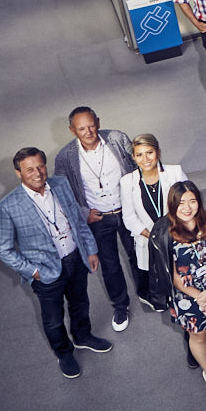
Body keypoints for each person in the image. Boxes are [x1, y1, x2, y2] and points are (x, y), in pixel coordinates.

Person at [0, 147, 109, 378]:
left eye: (40, 166)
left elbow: (78, 219)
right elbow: (2, 248)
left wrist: (90, 250)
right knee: (53, 319)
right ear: (18, 173)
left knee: (80, 303)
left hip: (75, 258)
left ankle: (83, 336)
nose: (37, 173)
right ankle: (64, 353)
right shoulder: (8, 206)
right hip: (45, 271)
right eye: (29, 169)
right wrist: (32, 271)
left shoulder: (61, 184)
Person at [53, 108, 138, 332]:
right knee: (110, 266)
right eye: (81, 128)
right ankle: (120, 306)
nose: (88, 132)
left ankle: (148, 293)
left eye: (91, 125)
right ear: (72, 130)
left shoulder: (117, 139)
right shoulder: (65, 157)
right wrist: (84, 213)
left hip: (128, 211)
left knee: (139, 255)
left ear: (98, 122)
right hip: (99, 219)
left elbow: (139, 165)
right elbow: (62, 192)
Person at [152, 181, 206, 398]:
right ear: (172, 205)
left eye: (192, 201)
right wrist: (198, 296)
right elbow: (170, 273)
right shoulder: (163, 231)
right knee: (198, 334)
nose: (187, 207)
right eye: (181, 203)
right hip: (186, 294)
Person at [119, 133, 188, 314]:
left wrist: (173, 232)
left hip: (178, 233)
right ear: (133, 157)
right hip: (148, 238)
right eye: (139, 154)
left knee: (183, 269)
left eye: (149, 152)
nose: (145, 159)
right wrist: (154, 237)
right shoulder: (127, 182)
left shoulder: (175, 172)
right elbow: (129, 217)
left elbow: (189, 204)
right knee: (156, 273)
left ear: (158, 152)